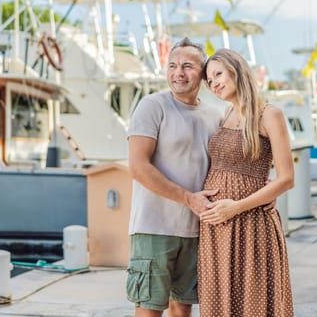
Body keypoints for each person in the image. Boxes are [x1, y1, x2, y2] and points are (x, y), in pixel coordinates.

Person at [126, 37, 222, 317]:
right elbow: (138, 167)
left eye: (188, 66)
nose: (178, 72)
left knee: (182, 307)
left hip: (196, 230)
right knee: (150, 308)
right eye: (172, 65)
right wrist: (188, 199)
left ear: (203, 73)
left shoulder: (214, 115)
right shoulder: (152, 106)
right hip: (154, 227)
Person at [198, 48, 295, 317]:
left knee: (252, 300)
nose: (214, 82)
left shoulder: (268, 115)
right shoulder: (225, 115)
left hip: (251, 224)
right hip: (216, 227)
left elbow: (287, 178)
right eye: (209, 79)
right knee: (219, 301)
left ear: (236, 71)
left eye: (218, 74)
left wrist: (236, 206)